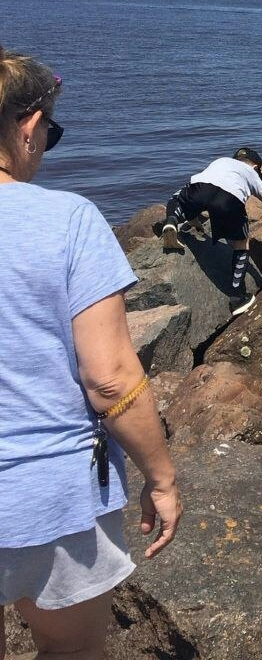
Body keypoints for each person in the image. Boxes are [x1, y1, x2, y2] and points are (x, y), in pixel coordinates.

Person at [0, 46, 181, 660]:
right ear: (28, 125)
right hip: (49, 495)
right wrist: (160, 478)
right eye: (49, 131)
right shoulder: (69, 220)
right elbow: (109, 378)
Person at [162, 147, 262, 316]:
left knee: (178, 198)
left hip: (199, 187)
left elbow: (208, 192)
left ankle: (171, 222)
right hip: (229, 199)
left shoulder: (221, 161)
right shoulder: (253, 176)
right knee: (241, 244)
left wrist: (192, 219)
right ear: (255, 167)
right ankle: (237, 297)